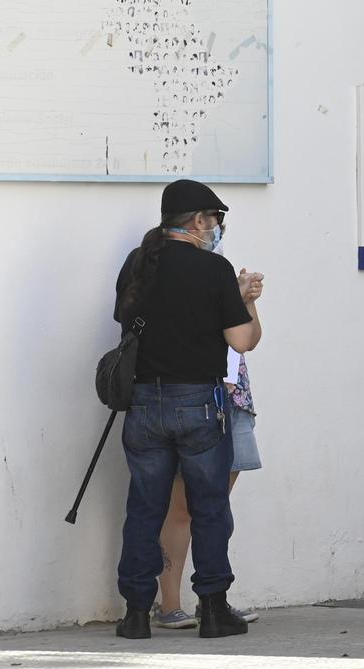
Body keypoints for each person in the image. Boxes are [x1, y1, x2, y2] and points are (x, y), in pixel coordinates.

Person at [112, 179, 264, 640]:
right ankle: (214, 609)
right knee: (209, 507)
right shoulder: (213, 268)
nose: (216, 228)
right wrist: (247, 303)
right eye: (215, 220)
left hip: (142, 402)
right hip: (196, 402)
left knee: (144, 508)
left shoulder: (137, 264)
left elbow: (126, 323)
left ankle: (136, 614)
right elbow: (242, 341)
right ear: (199, 221)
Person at [152, 341, 262, 629]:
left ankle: (213, 599)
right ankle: (169, 605)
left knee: (214, 510)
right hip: (194, 398)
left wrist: (247, 300)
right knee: (182, 508)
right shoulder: (187, 293)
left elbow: (249, 338)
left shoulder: (231, 294)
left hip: (234, 397)